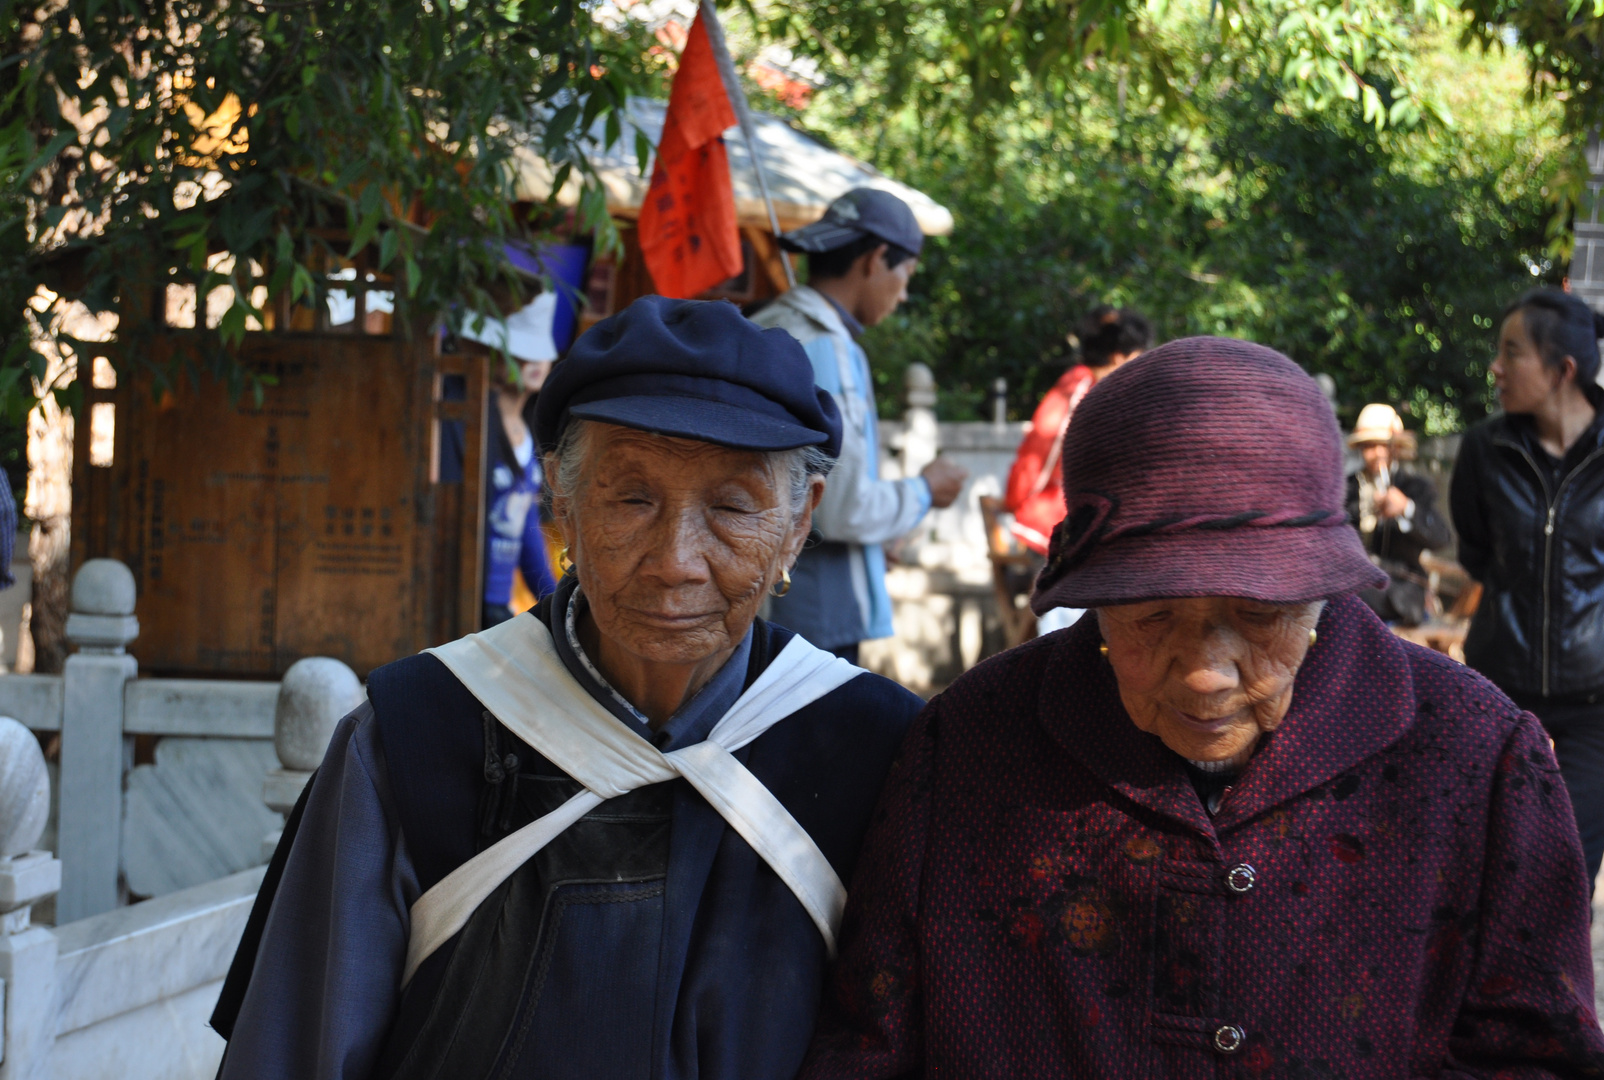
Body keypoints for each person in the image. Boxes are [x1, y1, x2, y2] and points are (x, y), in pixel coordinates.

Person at [798, 337, 1604, 1077]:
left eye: (1259, 613)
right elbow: (870, 1044)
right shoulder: (969, 746)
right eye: (1150, 616)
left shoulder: (1477, 758)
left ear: (1321, 590)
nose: (1205, 677)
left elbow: (1540, 1057)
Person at [210, 296, 924, 1080]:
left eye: (730, 506)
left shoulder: (870, 750)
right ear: (562, 502)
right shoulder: (416, 735)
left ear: (797, 523)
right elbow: (289, 1055)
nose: (676, 560)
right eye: (631, 498)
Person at [1451, 288, 1604, 891]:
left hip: (1603, 700)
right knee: (1477, 858)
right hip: (1497, 687)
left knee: (1563, 873)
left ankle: (1551, 987)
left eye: (1511, 352)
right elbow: (1476, 551)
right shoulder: (1484, 449)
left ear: (1563, 370)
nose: (1495, 368)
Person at [752, 188, 967, 662]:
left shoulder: (770, 327)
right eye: (905, 274)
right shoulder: (829, 349)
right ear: (875, 260)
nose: (903, 293)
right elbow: (842, 509)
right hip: (814, 618)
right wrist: (926, 490)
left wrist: (877, 542)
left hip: (765, 611)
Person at [1005, 306, 1154, 635]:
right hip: (1053, 530)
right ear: (1119, 355)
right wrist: (1018, 503)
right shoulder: (1079, 386)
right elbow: (1041, 455)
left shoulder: (1103, 391)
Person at [441, 291, 561, 626]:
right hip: (454, 595)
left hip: (495, 601)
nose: (534, 362)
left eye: (540, 353)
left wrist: (555, 603)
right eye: (521, 353)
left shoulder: (527, 432)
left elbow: (526, 531)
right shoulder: (457, 418)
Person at [1343, 402, 1451, 626]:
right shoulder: (1347, 488)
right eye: (1369, 446)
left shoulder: (1415, 487)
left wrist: (1406, 509)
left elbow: (1442, 537)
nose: (1376, 453)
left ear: (1397, 448)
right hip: (1355, 587)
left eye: (1383, 445)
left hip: (1400, 593)